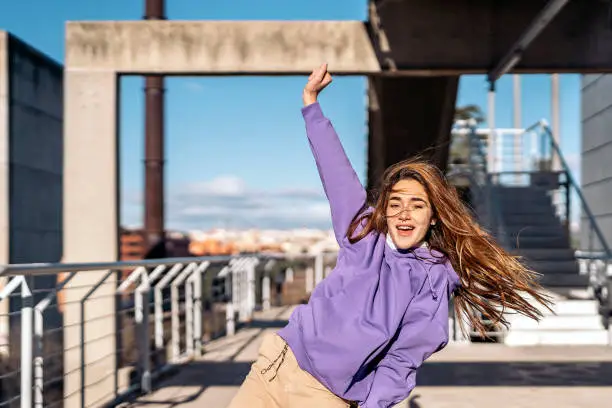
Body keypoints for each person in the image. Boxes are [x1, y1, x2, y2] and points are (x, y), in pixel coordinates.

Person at [227, 64, 552, 408]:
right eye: (395, 203)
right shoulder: (363, 236)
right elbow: (337, 174)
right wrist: (312, 105)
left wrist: (371, 405)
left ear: (434, 216)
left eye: (417, 205)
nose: (404, 212)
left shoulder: (433, 278)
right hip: (275, 366)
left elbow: (403, 360)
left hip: (325, 396)